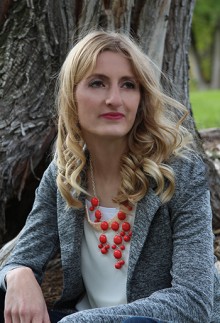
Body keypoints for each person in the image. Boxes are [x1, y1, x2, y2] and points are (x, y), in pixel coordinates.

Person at [0, 30, 219, 323]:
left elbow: (193, 302)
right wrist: (18, 273)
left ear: (141, 99)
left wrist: (84, 321)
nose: (114, 99)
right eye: (98, 83)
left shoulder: (180, 174)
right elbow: (23, 255)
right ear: (72, 96)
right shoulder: (67, 173)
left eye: (128, 85)